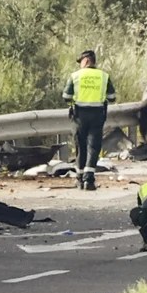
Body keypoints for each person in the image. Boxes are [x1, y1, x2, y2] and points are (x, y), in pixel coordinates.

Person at [63, 50, 114, 189]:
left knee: (81, 146)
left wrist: (74, 102)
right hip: (97, 115)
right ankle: (89, 180)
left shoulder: (75, 76)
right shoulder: (103, 76)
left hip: (79, 115)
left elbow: (66, 96)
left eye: (81, 62)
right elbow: (112, 97)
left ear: (85, 61)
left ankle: (79, 178)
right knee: (94, 147)